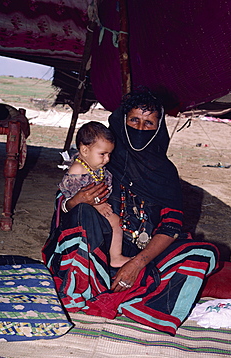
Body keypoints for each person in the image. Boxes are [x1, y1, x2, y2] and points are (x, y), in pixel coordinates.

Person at [42, 89, 219, 336]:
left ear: (158, 129)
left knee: (203, 253)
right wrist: (77, 201)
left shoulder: (165, 174)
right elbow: (66, 201)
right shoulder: (105, 158)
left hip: (141, 257)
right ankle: (87, 286)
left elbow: (171, 226)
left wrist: (137, 262)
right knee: (83, 212)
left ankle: (127, 292)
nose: (140, 128)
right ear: (123, 121)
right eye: (134, 120)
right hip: (96, 252)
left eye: (149, 123)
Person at [59, 121, 130, 268]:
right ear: (85, 151)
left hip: (98, 205)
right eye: (102, 154)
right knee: (116, 222)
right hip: (85, 212)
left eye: (109, 154)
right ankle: (115, 256)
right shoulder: (78, 170)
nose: (107, 159)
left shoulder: (94, 165)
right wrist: (97, 205)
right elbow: (75, 196)